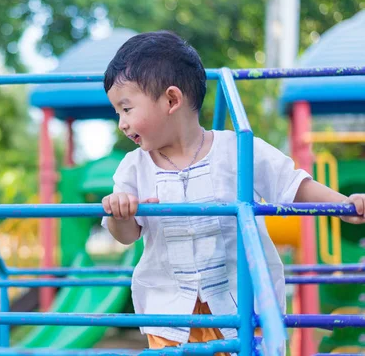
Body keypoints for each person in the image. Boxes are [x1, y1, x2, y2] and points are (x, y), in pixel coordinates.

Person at [100, 30, 365, 353]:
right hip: (169, 313)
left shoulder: (236, 148)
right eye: (117, 113)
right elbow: (125, 235)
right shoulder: (133, 167)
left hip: (237, 305)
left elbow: (292, 183)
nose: (122, 124)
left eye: (126, 109)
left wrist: (344, 206)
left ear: (171, 100)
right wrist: (120, 212)